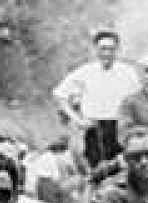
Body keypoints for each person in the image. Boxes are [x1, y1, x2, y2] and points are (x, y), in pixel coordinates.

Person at [53, 29, 141, 171]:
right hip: (95, 129)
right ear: (96, 50)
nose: (107, 53)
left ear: (117, 50)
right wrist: (77, 120)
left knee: (126, 170)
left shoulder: (128, 72)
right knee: (99, 172)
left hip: (121, 128)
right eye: (103, 49)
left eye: (111, 49)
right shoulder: (85, 71)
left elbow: (139, 98)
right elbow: (59, 94)